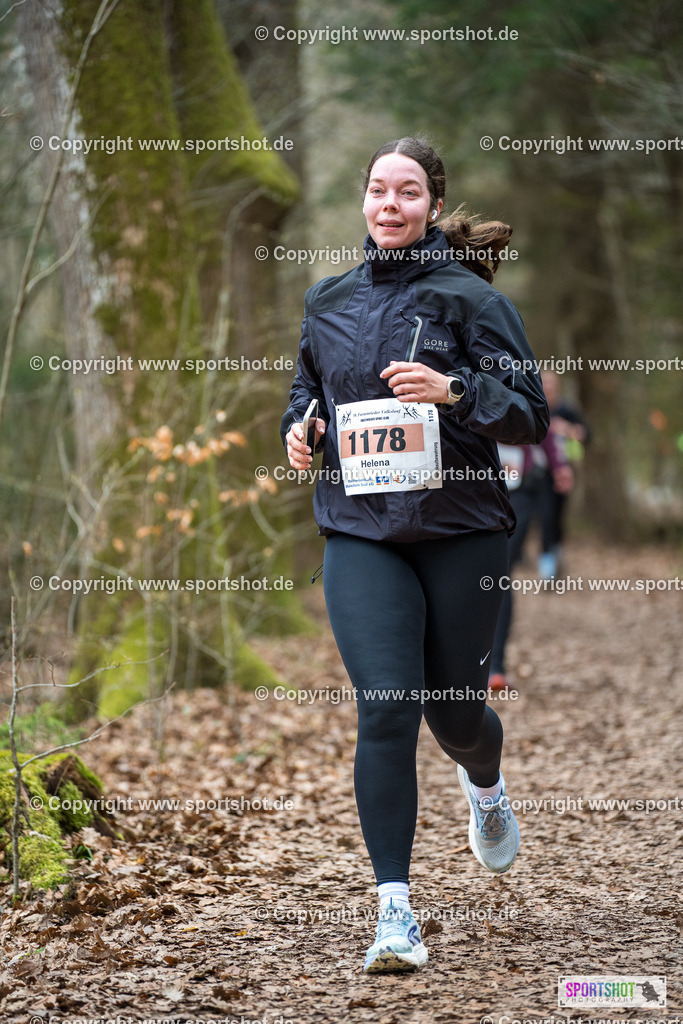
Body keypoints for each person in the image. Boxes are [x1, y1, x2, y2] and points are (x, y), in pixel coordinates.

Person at [280, 137, 549, 974]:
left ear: (432, 203)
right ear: (362, 203)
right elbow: (304, 396)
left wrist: (457, 392)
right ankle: (394, 913)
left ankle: (486, 787)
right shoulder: (326, 301)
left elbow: (529, 416)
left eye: (405, 192)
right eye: (375, 191)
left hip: (462, 529)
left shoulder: (470, 301)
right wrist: (300, 433)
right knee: (388, 707)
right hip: (361, 533)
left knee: (453, 714)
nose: (387, 205)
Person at [489, 433, 573, 692]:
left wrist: (559, 467)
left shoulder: (520, 390)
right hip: (476, 492)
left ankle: (495, 668)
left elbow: (540, 425)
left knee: (499, 571)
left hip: (520, 492)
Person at [538, 371, 589, 578]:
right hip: (538, 473)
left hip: (563, 471)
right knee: (545, 515)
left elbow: (586, 434)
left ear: (557, 386)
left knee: (557, 516)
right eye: (545, 383)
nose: (548, 388)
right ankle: (546, 563)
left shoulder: (567, 409)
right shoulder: (535, 406)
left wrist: (565, 429)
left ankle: (557, 553)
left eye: (551, 384)